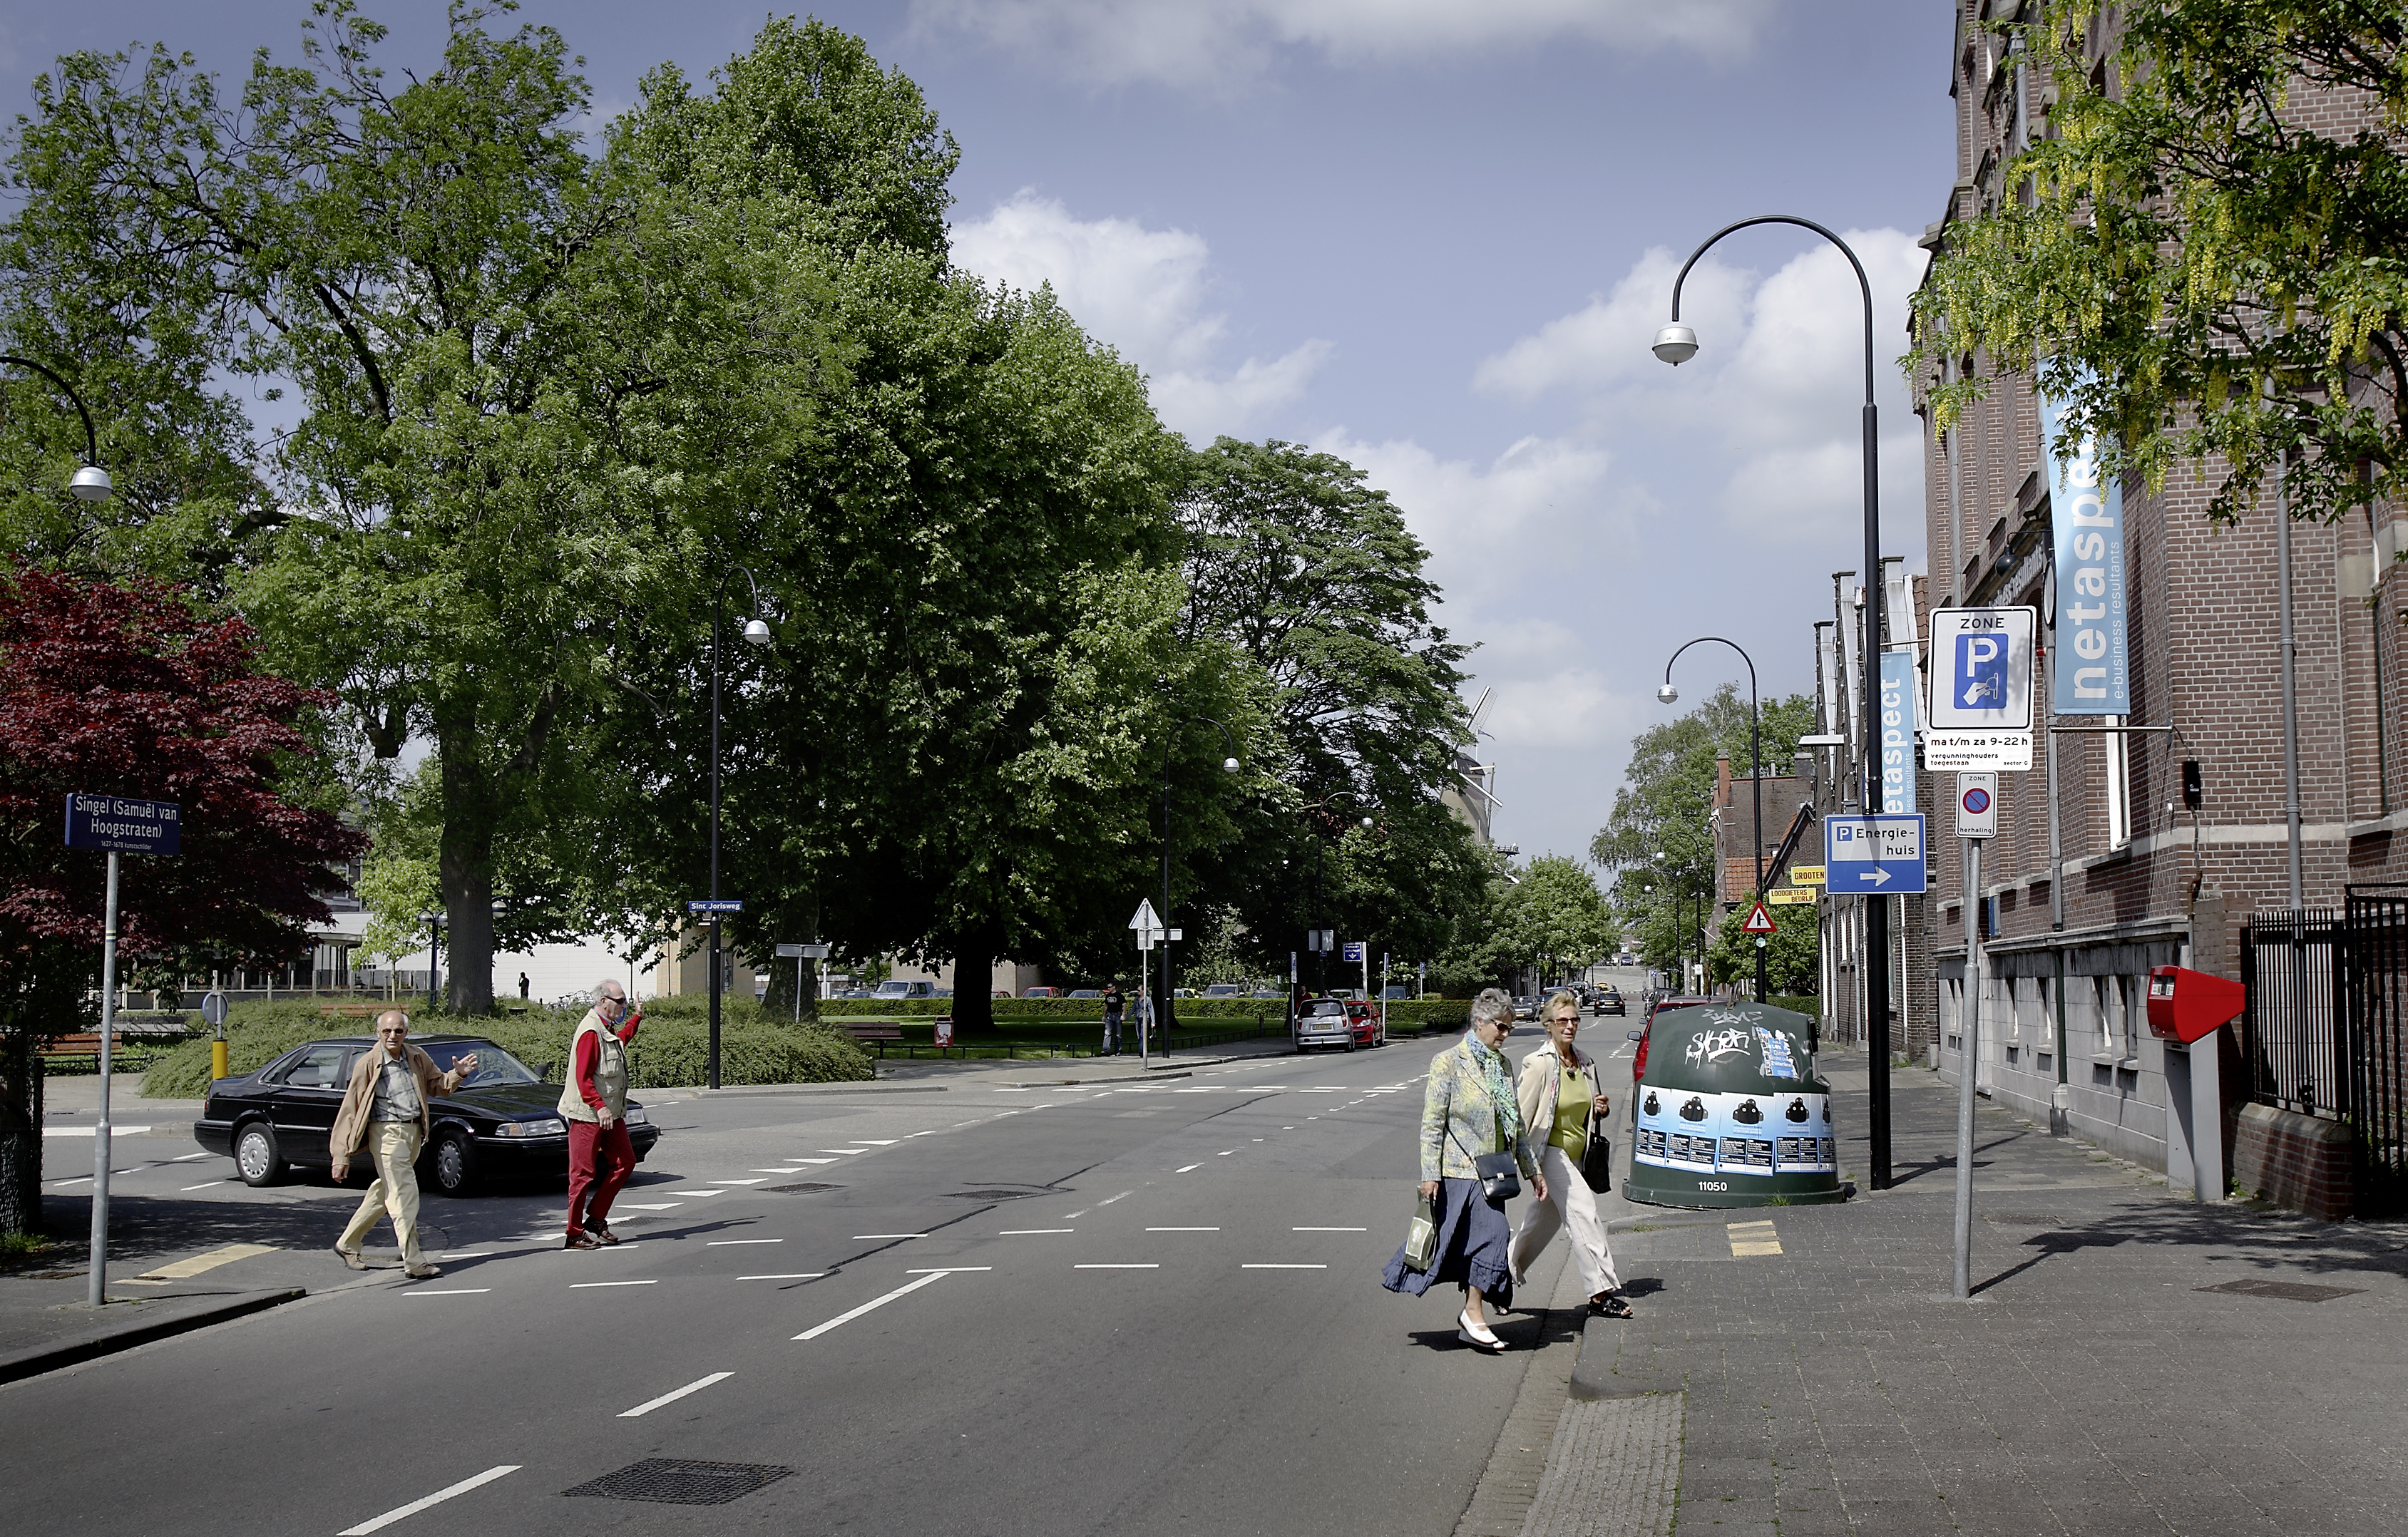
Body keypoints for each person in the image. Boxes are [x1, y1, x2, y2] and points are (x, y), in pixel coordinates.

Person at [1382, 987, 1542, 1352]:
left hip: (1493, 1175)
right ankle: (1473, 1315)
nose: (1506, 1034)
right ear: (1480, 1023)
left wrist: (1532, 1170)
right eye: (1501, 1027)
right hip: (1458, 1174)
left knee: (1491, 1239)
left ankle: (1472, 1314)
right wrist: (1429, 1175)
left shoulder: (1502, 1066)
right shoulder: (1448, 1062)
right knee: (1460, 1244)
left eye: (1509, 1028)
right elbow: (1432, 1124)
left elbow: (1515, 1123)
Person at [1510, 989, 1631, 1317]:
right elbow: (1521, 1116)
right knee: (1584, 1212)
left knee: (1538, 1226)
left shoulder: (1585, 1062)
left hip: (1578, 1156)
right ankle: (1600, 1292)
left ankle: (1497, 1278)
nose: (1570, 1026)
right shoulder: (1538, 1064)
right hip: (1551, 1154)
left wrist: (1600, 1108)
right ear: (1548, 1025)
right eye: (1562, 1021)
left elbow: (1588, 1108)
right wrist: (1527, 1165)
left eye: (1574, 1020)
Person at [331, 1010, 477, 1279]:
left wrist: (458, 1074)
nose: (392, 1036)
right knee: (403, 1194)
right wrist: (340, 1156)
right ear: (378, 1033)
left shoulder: (416, 1056)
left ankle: (347, 1244)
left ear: (405, 1033)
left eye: (398, 1031)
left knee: (384, 1191)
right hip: (385, 1133)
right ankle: (414, 1260)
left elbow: (438, 1085)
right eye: (387, 1031)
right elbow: (350, 1109)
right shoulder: (368, 1063)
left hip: (414, 1132)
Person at [560, 979, 643, 1249]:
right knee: (582, 1174)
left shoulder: (605, 1028)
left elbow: (619, 1042)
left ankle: (595, 1218)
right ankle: (574, 1234)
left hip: (609, 1113)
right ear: (603, 1001)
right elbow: (583, 1078)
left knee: (625, 1162)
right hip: (588, 1114)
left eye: (625, 1001)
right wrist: (600, 1106)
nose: (623, 1006)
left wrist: (636, 1018)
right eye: (620, 1001)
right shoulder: (590, 1032)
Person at [1100, 984, 1124, 1057]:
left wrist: (1123, 1015)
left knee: (1118, 1034)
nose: (1109, 988)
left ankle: (1118, 1050)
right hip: (1109, 1016)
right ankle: (1106, 1050)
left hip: (1117, 1015)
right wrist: (1104, 1016)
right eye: (1108, 987)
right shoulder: (1108, 996)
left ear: (1114, 987)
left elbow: (1124, 1005)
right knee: (1107, 1033)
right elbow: (1106, 1006)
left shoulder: (1119, 995)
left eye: (1110, 987)